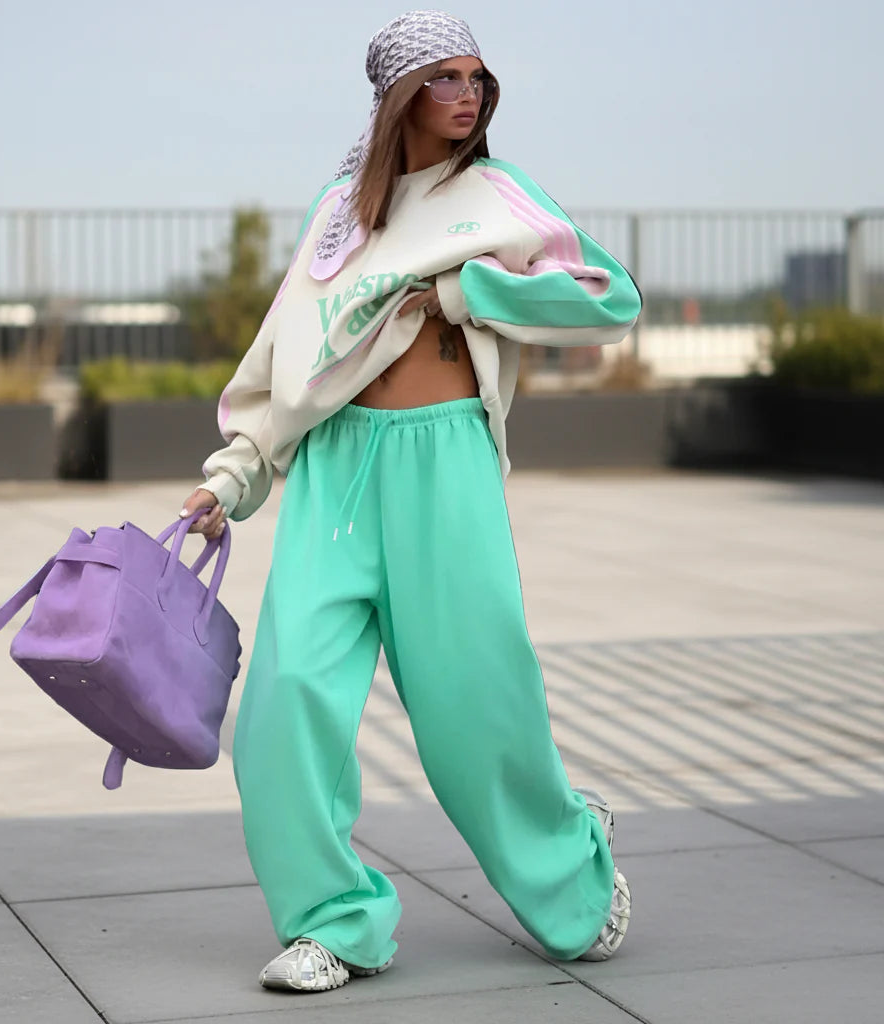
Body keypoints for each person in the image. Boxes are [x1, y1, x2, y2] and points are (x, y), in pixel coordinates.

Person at [179, 9, 642, 994]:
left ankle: (570, 865)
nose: (467, 95)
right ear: (398, 96)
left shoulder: (498, 195)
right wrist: (232, 476)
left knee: (476, 705)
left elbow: (608, 298)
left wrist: (468, 292)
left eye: (477, 78)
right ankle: (332, 921)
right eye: (444, 78)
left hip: (445, 468)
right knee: (283, 700)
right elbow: (285, 353)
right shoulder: (338, 213)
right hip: (335, 473)